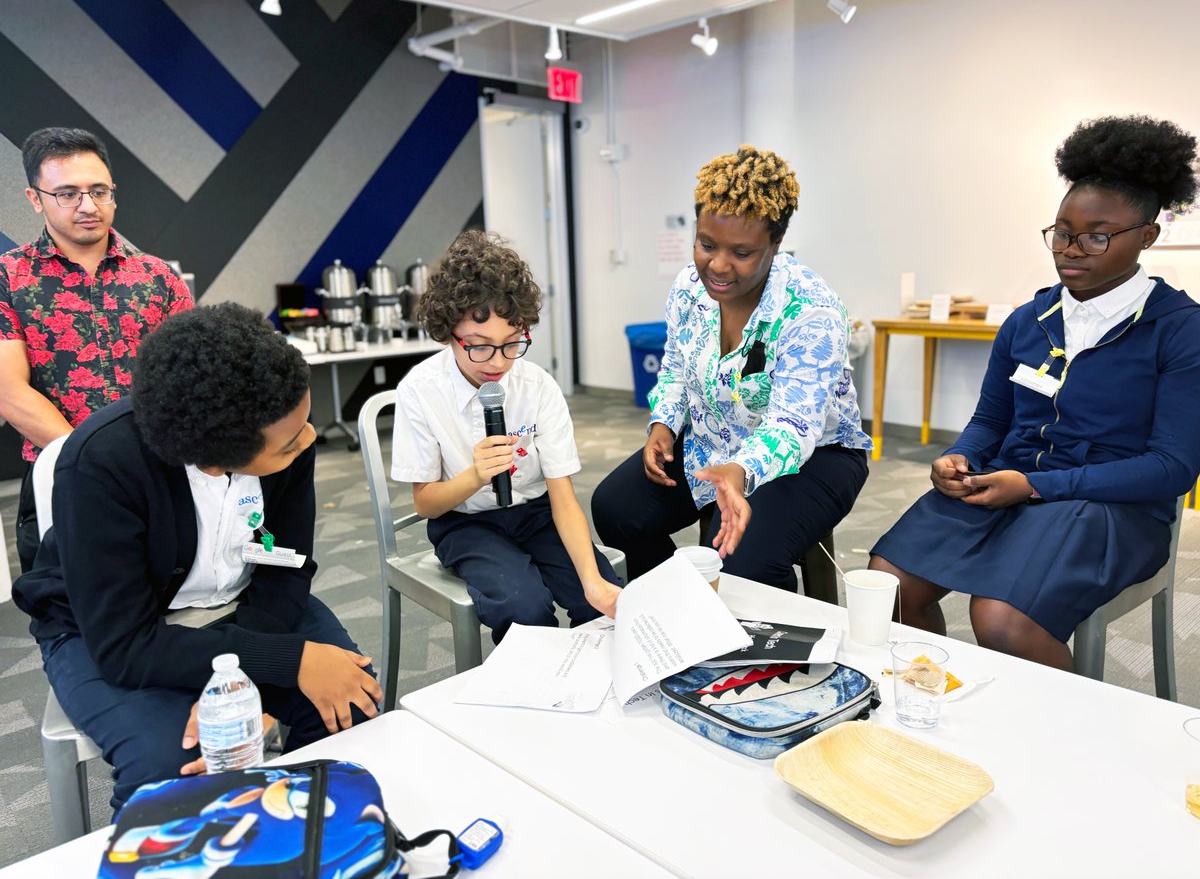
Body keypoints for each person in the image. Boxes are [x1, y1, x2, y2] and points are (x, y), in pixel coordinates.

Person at [12, 303, 381, 813]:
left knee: (351, 707)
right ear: (216, 454)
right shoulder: (100, 462)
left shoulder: (287, 430)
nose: (310, 438)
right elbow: (125, 647)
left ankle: (305, 833)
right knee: (174, 769)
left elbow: (286, 564)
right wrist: (286, 661)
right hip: (110, 629)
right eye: (290, 442)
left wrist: (246, 678)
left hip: (246, 602)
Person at [869, 115, 1200, 670]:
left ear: (1147, 236)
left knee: (1002, 620)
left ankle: (1055, 726)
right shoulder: (1029, 319)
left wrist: (1035, 486)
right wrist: (960, 456)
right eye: (1062, 232)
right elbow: (989, 422)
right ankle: (936, 703)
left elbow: (1172, 469)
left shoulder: (1179, 329)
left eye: (1097, 236)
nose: (1071, 249)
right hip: (1009, 482)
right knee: (889, 586)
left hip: (1110, 505)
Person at [592, 145, 871, 590]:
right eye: (707, 245)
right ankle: (681, 601)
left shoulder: (810, 310)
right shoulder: (688, 288)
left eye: (741, 253)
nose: (717, 266)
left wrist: (740, 470)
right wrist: (664, 424)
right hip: (713, 438)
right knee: (616, 510)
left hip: (814, 457)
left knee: (738, 558)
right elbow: (675, 369)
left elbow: (794, 425)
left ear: (776, 243)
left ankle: (765, 633)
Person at [391, 230, 623, 642]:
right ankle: (533, 679)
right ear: (447, 333)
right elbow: (426, 502)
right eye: (479, 347)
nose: (498, 363)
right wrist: (474, 476)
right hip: (465, 523)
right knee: (523, 607)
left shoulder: (538, 386)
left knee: (598, 600)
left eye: (512, 344)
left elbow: (563, 498)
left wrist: (592, 581)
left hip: (537, 513)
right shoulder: (421, 390)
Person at [0, 127, 192, 572]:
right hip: (60, 474)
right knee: (69, 603)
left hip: (159, 472)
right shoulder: (9, 278)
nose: (88, 206)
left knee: (171, 594)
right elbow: (9, 390)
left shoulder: (158, 277)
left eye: (99, 191)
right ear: (35, 199)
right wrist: (89, 459)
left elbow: (190, 374)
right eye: (67, 194)